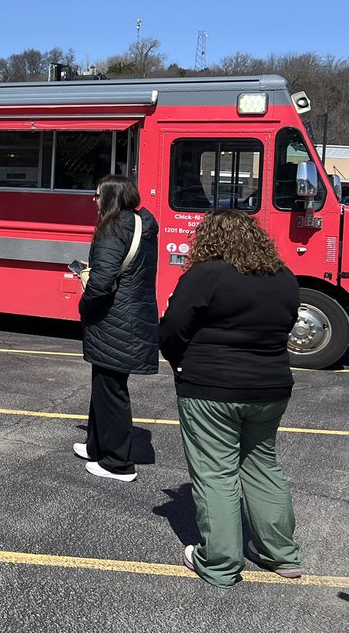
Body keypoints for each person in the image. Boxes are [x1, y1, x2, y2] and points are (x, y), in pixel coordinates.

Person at [159, 209, 302, 586]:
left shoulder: (207, 274)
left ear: (209, 239)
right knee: (262, 464)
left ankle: (220, 563)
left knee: (215, 473)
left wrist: (180, 362)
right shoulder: (284, 277)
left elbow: (173, 328)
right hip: (270, 386)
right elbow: (286, 325)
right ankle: (281, 554)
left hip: (211, 386)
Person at [76, 175, 159, 481]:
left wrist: (84, 305)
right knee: (105, 384)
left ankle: (116, 462)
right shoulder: (141, 224)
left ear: (109, 197)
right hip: (133, 317)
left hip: (113, 320)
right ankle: (96, 446)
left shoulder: (112, 227)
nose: (94, 200)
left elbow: (101, 281)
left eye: (97, 195)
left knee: (111, 390)